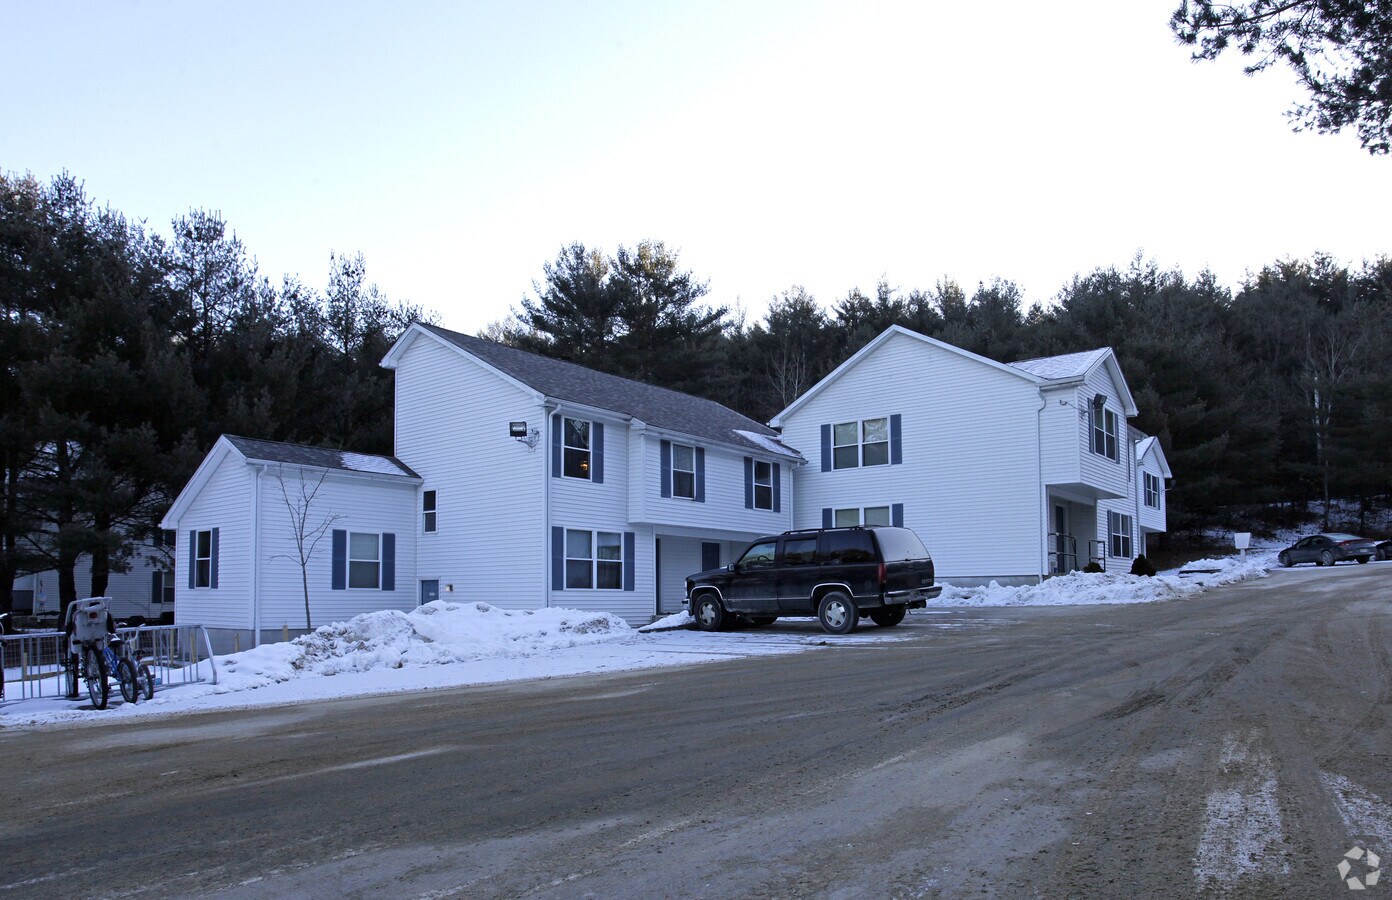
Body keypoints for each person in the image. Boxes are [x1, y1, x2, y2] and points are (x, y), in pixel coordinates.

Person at [62, 598, 117, 699]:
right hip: (99, 634)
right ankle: (100, 673)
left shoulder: (78, 615)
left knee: (77, 648)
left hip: (82, 635)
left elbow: (69, 630)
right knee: (101, 650)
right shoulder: (104, 612)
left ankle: (75, 687)